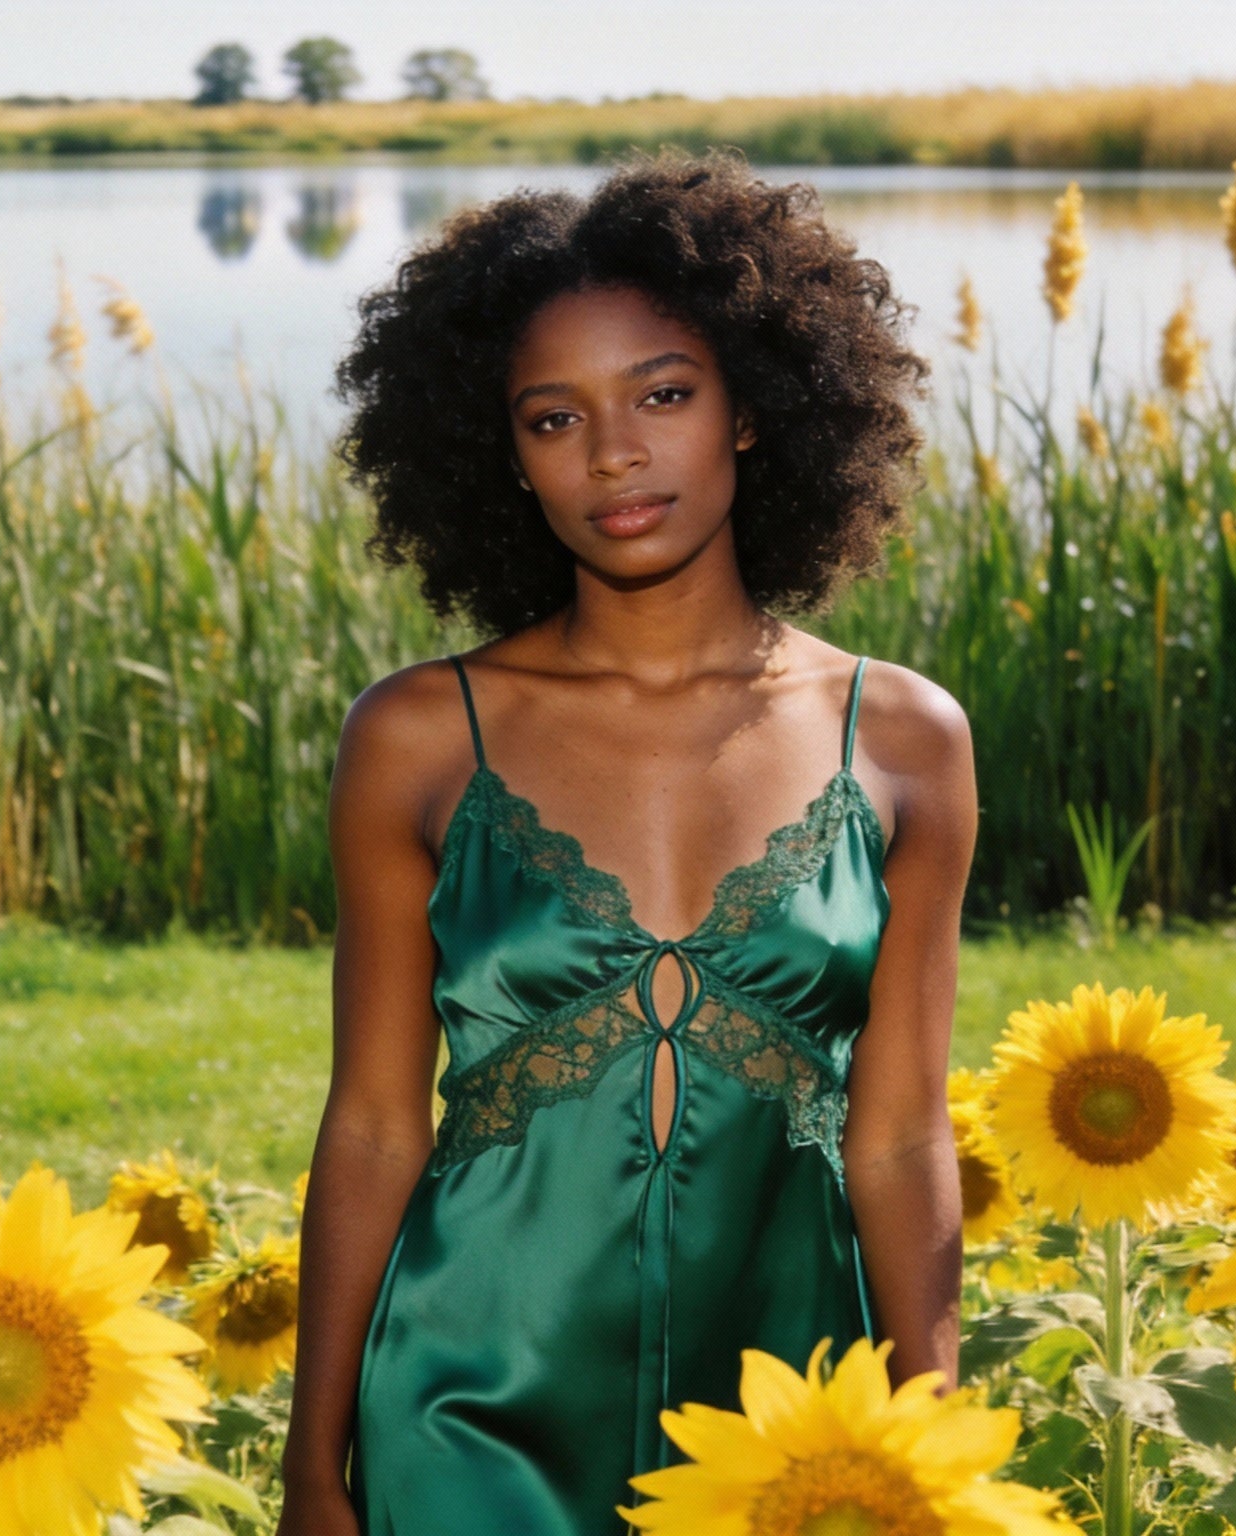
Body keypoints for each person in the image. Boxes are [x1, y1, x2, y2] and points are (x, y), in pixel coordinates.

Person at [274, 148, 978, 1536]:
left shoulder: (899, 739)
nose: (612, 454)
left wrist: (935, 1441)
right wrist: (312, 1464)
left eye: (662, 393)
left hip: (793, 1406)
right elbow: (368, 1123)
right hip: (469, 1400)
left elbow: (898, 1136)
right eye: (552, 418)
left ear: (756, 411)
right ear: (501, 454)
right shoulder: (420, 738)